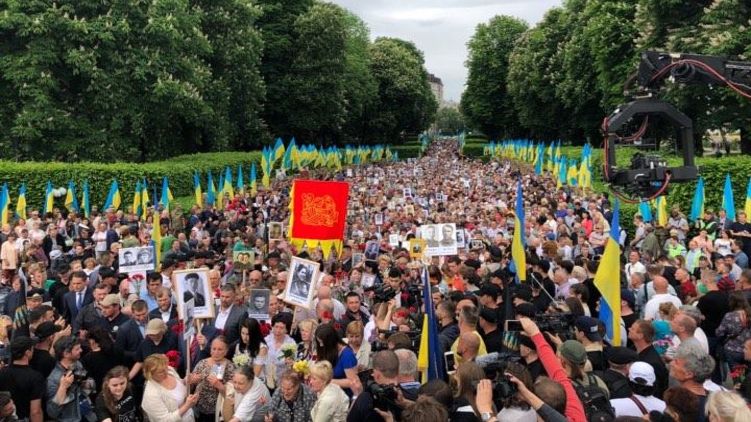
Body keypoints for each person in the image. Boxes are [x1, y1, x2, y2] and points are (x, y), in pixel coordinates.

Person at [46, 336, 96, 422]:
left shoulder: (78, 364)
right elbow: (52, 412)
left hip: (87, 415)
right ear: (66, 354)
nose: (81, 350)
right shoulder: (54, 379)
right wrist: (63, 387)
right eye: (77, 349)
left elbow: (82, 390)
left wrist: (87, 384)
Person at [188, 336, 237, 422]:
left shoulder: (230, 367)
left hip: (217, 411)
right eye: (214, 349)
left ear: (226, 351)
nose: (216, 352)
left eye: (220, 349)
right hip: (199, 407)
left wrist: (220, 386)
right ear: (210, 349)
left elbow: (232, 395)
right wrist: (192, 381)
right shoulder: (202, 363)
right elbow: (189, 386)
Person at [141, 354, 198, 422]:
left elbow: (178, 386)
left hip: (188, 417)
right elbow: (165, 420)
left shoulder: (169, 370)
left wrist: (185, 381)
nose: (166, 372)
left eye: (166, 367)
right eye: (161, 372)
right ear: (150, 374)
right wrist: (187, 406)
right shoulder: (151, 395)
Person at [0, 337, 44, 422]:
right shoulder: (35, 377)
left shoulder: (2, 372)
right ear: (27, 353)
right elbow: (35, 411)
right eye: (32, 349)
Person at [314, 323, 358, 396]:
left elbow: (352, 381)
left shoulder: (347, 355)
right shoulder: (327, 351)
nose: (321, 345)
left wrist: (328, 382)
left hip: (342, 395)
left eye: (322, 343)